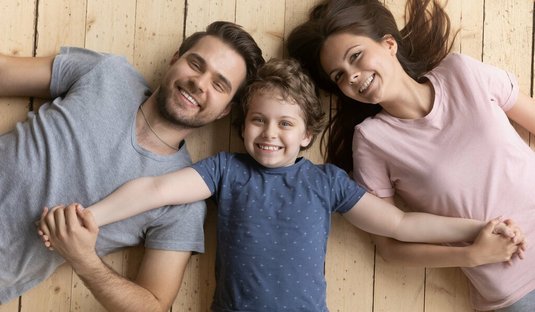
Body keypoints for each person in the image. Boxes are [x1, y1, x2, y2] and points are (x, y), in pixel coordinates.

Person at [39, 58, 522, 312]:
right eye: (257, 120)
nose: (270, 134)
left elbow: (399, 221)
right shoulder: (226, 170)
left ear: (307, 134)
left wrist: (475, 227)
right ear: (242, 125)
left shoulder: (327, 183)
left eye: (285, 124)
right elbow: (155, 190)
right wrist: (91, 217)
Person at [286, 0, 535, 311]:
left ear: (388, 44)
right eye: (339, 75)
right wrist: (471, 255)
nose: (351, 76)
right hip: (515, 289)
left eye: (356, 56)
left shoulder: (462, 72)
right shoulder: (371, 140)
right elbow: (390, 247)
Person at [0, 21, 264, 311]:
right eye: (196, 64)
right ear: (176, 58)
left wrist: (83, 259)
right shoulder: (108, 73)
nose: (199, 83)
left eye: (218, 85)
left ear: (225, 110)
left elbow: (153, 306)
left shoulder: (183, 201)